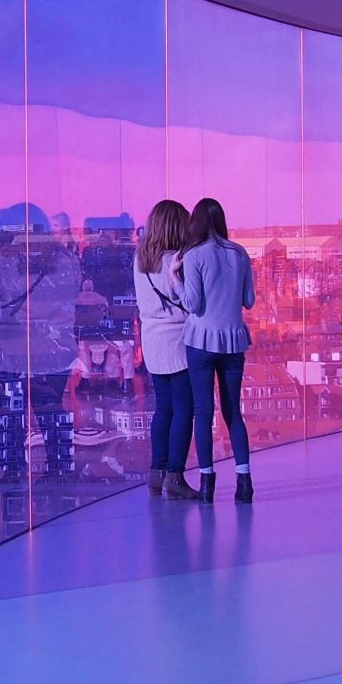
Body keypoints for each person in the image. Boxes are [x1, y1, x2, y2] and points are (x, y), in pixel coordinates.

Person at [180, 198, 256, 502]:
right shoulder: (240, 253)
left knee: (203, 412)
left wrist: (175, 278)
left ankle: (208, 483)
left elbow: (193, 304)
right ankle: (245, 481)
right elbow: (249, 300)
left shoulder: (193, 256)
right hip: (233, 341)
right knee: (233, 412)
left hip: (200, 341)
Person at [134, 199, 200, 500]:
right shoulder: (177, 260)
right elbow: (189, 302)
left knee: (163, 409)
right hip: (178, 340)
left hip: (152, 340)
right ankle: (175, 475)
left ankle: (156, 473)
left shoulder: (140, 258)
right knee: (184, 410)